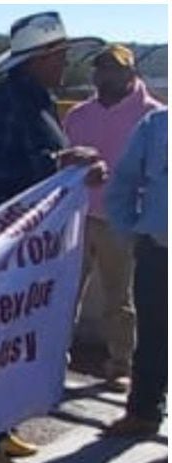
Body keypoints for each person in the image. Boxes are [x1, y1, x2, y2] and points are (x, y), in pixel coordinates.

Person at [0, 11, 107, 463]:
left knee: (14, 341)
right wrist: (58, 165)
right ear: (37, 60)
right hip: (9, 245)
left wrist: (74, 172)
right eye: (59, 55)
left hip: (31, 246)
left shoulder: (40, 101)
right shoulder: (7, 102)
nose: (66, 62)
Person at [62, 44, 163, 392]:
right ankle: (56, 358)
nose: (105, 74)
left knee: (119, 299)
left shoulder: (153, 116)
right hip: (75, 217)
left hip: (122, 224)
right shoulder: (77, 114)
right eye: (101, 68)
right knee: (64, 293)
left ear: (130, 74)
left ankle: (121, 364)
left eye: (113, 69)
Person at [103, 107, 167, 437]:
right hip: (159, 250)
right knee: (154, 334)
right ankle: (144, 412)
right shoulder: (157, 125)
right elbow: (123, 182)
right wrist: (130, 230)